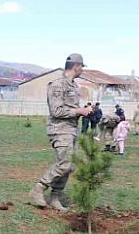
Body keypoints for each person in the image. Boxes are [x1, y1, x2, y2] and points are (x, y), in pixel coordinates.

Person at [29, 53, 93, 212]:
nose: (82, 70)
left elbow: (70, 109)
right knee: (65, 163)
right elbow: (56, 111)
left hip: (70, 129)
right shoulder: (57, 84)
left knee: (70, 165)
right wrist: (79, 110)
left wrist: (83, 111)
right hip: (59, 129)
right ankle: (39, 188)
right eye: (82, 67)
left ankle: (55, 197)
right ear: (76, 66)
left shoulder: (73, 86)